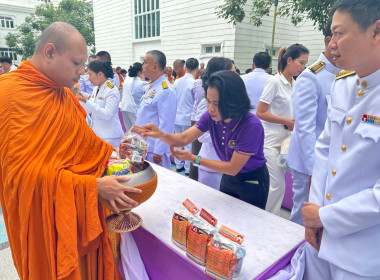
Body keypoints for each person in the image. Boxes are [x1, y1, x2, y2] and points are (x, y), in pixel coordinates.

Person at [0, 21, 141, 280]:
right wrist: (92, 188)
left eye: (84, 65)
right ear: (50, 52)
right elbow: (17, 179)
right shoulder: (8, 95)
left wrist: (113, 157)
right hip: (41, 220)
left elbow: (84, 143)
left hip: (77, 212)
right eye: (76, 63)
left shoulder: (62, 94)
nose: (82, 73)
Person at [302, 0, 380, 279]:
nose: (331, 44)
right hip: (320, 241)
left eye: (339, 33)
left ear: (376, 31)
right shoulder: (343, 84)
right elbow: (324, 150)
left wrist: (326, 217)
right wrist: (313, 217)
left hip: (362, 255)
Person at [143, 70, 270, 209]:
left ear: (233, 101)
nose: (210, 108)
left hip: (251, 181)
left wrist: (194, 158)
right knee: (226, 217)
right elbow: (184, 138)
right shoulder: (210, 117)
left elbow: (233, 168)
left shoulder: (251, 125)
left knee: (250, 225)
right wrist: (160, 134)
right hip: (228, 177)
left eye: (217, 103)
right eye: (208, 101)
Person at [286, 19, 340, 226]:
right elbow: (305, 129)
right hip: (309, 163)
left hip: (332, 161)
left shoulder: (345, 75)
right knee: (303, 215)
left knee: (321, 217)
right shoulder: (311, 77)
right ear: (329, 41)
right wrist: (312, 171)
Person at [256, 43, 309, 215]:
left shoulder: (295, 83)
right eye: (301, 62)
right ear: (290, 60)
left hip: (286, 142)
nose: (303, 67)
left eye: (305, 64)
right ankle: (267, 220)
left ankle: (270, 218)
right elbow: (260, 112)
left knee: (280, 186)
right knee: (277, 185)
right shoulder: (274, 82)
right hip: (270, 141)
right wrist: (286, 121)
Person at [188, 57, 234, 181]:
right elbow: (201, 136)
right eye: (232, 72)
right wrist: (229, 137)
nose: (236, 76)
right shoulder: (208, 102)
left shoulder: (229, 101)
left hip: (224, 161)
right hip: (211, 161)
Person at [135, 50, 177, 169]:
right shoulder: (152, 85)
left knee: (159, 183)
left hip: (153, 149)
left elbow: (166, 123)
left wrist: (159, 150)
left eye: (145, 62)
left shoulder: (166, 90)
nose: (142, 66)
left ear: (155, 66)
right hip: (144, 145)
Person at [77, 60, 124, 148]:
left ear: (100, 74)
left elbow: (107, 114)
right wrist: (79, 101)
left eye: (90, 74)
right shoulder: (96, 89)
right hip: (99, 134)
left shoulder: (111, 90)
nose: (88, 78)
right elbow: (91, 109)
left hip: (110, 136)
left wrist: (86, 101)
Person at [173, 58, 199, 175]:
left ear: (185, 68)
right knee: (188, 144)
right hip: (188, 117)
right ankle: (188, 169)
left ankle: (178, 166)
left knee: (178, 142)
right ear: (197, 69)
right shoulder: (194, 83)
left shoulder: (177, 81)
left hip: (176, 116)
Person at [120, 62, 149, 131]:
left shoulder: (127, 80)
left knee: (129, 131)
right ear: (139, 72)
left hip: (125, 108)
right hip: (134, 110)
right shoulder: (142, 83)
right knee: (138, 133)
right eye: (144, 72)